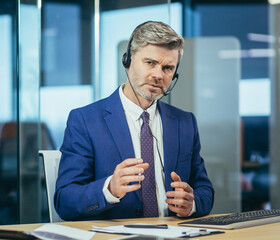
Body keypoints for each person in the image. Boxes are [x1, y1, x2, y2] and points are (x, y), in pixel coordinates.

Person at [54, 21, 214, 221]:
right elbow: (64, 201)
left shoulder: (185, 123)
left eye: (167, 68)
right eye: (150, 63)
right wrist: (109, 189)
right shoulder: (85, 121)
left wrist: (192, 203)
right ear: (127, 62)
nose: (158, 75)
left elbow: (205, 190)